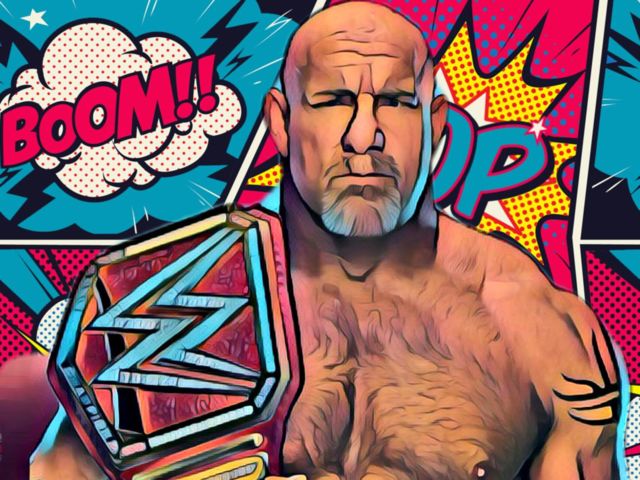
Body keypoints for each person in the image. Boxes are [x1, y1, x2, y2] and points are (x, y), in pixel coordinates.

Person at [29, 2, 622, 479]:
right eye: (334, 101)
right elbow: (59, 470)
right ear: (282, 122)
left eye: (395, 102)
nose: (364, 136)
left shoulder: (530, 326)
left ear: (436, 124)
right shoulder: (164, 302)